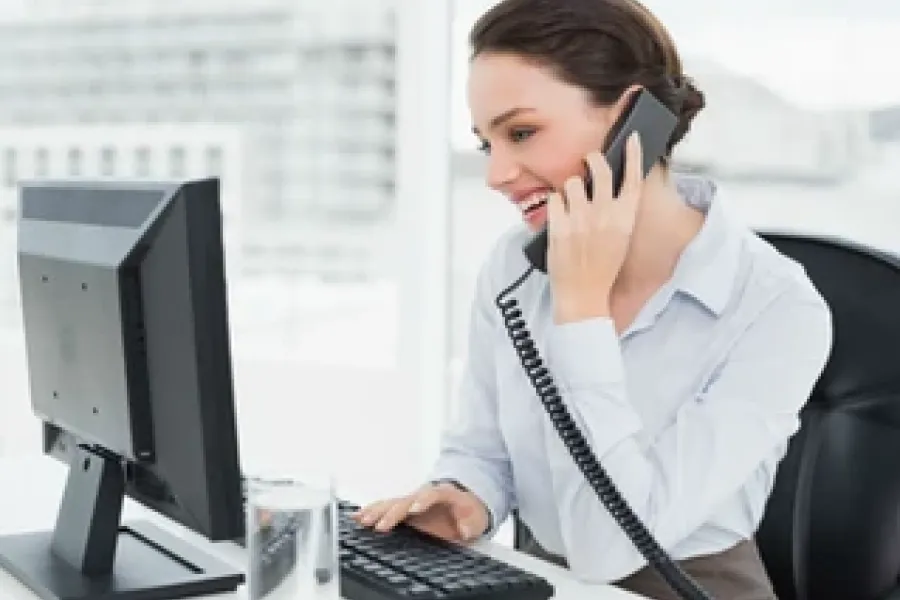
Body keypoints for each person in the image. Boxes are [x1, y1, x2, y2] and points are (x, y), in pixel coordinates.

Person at [352, 0, 833, 598]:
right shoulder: (513, 266)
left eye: (521, 133)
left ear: (633, 121)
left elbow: (610, 545)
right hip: (540, 577)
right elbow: (481, 448)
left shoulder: (778, 308)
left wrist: (582, 313)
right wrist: (465, 498)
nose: (497, 174)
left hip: (687, 586)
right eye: (486, 144)